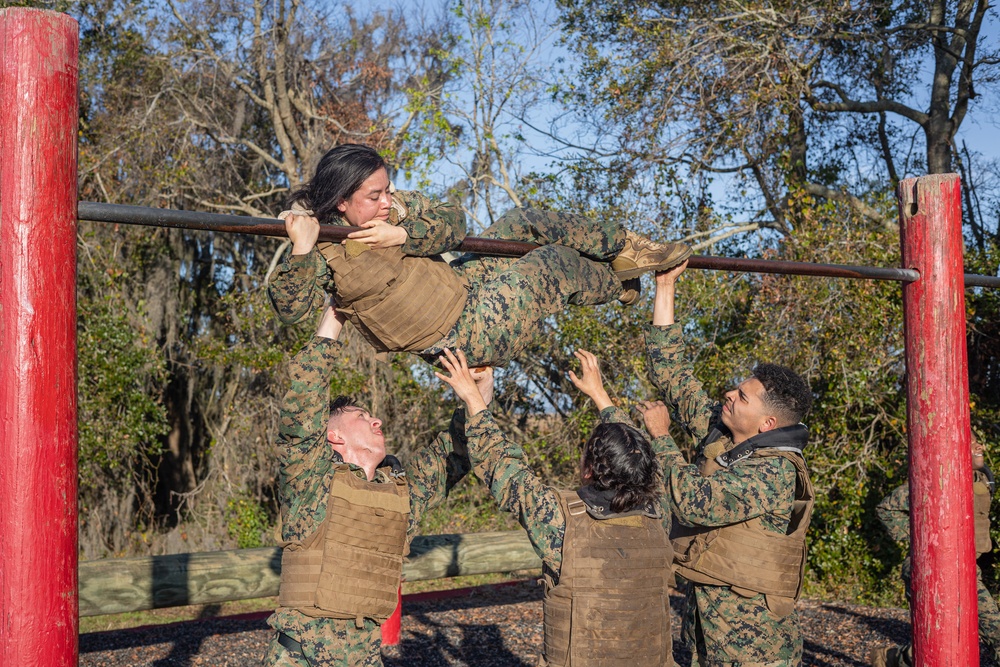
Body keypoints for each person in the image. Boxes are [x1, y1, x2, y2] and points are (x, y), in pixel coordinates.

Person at [267, 143, 691, 367]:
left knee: (523, 221)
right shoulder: (321, 249)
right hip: (457, 337)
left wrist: (404, 233)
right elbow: (290, 310)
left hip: (463, 285)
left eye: (387, 190)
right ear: (341, 202)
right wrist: (302, 249)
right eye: (374, 195)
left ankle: (627, 248)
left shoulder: (393, 209)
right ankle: (617, 285)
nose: (385, 200)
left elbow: (454, 220)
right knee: (549, 266)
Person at [263, 299, 490, 667]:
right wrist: (335, 315)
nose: (376, 420)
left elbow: (457, 452)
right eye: (361, 416)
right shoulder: (310, 479)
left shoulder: (400, 495)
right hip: (299, 658)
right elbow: (303, 400)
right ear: (333, 435)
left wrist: (477, 394)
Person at [434, 346, 675, 667]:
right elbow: (638, 455)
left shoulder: (563, 520)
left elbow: (500, 464)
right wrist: (600, 395)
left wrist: (473, 398)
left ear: (589, 469)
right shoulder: (662, 514)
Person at [642, 260, 815, 666]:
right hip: (709, 630)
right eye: (736, 389)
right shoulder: (725, 433)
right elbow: (672, 372)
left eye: (742, 397)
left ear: (767, 423)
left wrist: (662, 439)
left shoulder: (775, 471)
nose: (729, 395)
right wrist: (664, 287)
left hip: (754, 645)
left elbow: (695, 502)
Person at [869, 434, 1000, 667]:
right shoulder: (934, 481)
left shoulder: (981, 479)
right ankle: (895, 659)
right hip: (931, 567)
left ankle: (895, 659)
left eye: (979, 441)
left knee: (965, 633)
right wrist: (922, 541)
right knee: (952, 633)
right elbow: (886, 508)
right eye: (971, 441)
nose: (979, 445)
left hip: (966, 568)